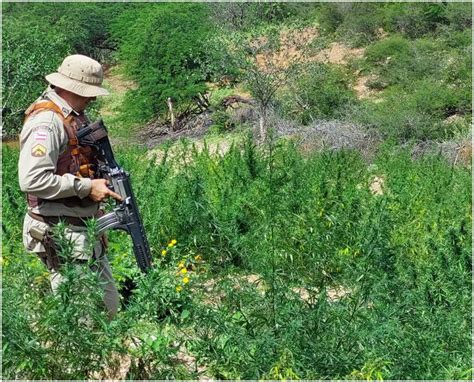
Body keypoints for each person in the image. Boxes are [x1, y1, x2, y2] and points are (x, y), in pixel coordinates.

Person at [18, 54, 123, 320]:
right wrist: (86, 187)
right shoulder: (47, 123)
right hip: (61, 232)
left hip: (81, 227)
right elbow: (31, 179)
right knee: (82, 318)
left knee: (107, 307)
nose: (93, 98)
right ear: (70, 87)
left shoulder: (73, 116)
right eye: (88, 92)